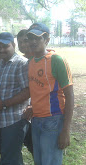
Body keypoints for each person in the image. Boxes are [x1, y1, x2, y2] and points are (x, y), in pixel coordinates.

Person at [27, 23, 74, 165]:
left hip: (53, 120)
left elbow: (70, 96)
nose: (33, 41)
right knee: (40, 162)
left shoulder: (56, 60)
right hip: (36, 121)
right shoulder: (30, 62)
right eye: (30, 38)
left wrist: (65, 130)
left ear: (46, 39)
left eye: (38, 38)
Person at [0, 32, 30, 165]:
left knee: (9, 159)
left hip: (15, 120)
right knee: (12, 157)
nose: (1, 50)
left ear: (13, 45)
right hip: (0, 119)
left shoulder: (22, 64)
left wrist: (4, 104)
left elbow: (28, 91)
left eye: (5, 46)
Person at [17, 29, 34, 157]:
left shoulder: (38, 59)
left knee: (36, 146)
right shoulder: (21, 61)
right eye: (19, 42)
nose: (22, 44)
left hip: (37, 109)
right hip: (24, 109)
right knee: (29, 142)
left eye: (25, 41)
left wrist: (33, 105)